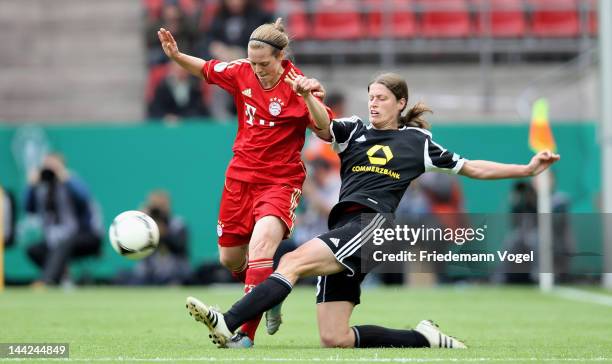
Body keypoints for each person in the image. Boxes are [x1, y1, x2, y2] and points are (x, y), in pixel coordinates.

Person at [185, 73, 560, 349]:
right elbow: (322, 126)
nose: (374, 103)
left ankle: (229, 321)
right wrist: (310, 96)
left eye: (382, 97)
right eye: (371, 97)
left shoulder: (417, 142)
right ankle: (424, 338)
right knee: (335, 337)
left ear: (400, 103)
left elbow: (472, 167)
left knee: (292, 262)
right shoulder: (354, 131)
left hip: (373, 227)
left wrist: (525, 169)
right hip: (345, 229)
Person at [157, 18, 330, 347]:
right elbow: (207, 69)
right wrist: (177, 56)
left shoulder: (299, 85)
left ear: (281, 57)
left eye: (264, 63)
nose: (258, 69)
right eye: (254, 62)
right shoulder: (241, 71)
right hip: (240, 179)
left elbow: (324, 129)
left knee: (262, 247)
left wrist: (308, 98)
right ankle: (270, 294)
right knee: (230, 260)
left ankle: (243, 336)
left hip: (280, 182)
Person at [25, 153, 102, 286]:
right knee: (33, 249)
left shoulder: (71, 181)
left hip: (84, 235)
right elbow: (28, 208)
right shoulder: (41, 188)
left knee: (64, 243)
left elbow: (85, 197)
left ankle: (46, 281)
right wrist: (31, 186)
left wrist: (66, 178)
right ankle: (62, 277)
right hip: (54, 239)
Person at [115, 190, 190, 285]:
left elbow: (179, 246)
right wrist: (139, 222)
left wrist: (163, 233)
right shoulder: (144, 226)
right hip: (148, 274)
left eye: (162, 206)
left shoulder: (178, 224)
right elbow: (134, 248)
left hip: (175, 273)